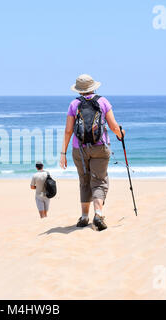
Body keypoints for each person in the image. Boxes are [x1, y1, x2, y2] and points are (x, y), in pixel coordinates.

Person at [59, 74, 125, 231]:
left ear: (79, 90)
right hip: (100, 147)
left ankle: (84, 217)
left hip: (79, 149)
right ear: (94, 87)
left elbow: (68, 130)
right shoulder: (103, 101)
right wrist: (121, 135)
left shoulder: (74, 104)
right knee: (99, 180)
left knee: (84, 180)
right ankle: (98, 214)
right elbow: (114, 126)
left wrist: (63, 153)